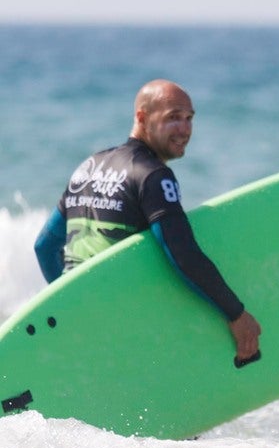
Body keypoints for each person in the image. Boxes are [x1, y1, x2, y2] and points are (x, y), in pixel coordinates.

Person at [33, 79, 261, 366]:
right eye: (173, 118)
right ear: (142, 118)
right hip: (123, 324)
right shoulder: (152, 176)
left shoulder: (88, 168)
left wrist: (67, 302)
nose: (185, 129)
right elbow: (183, 254)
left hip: (83, 320)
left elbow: (44, 246)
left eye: (189, 118)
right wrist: (236, 315)